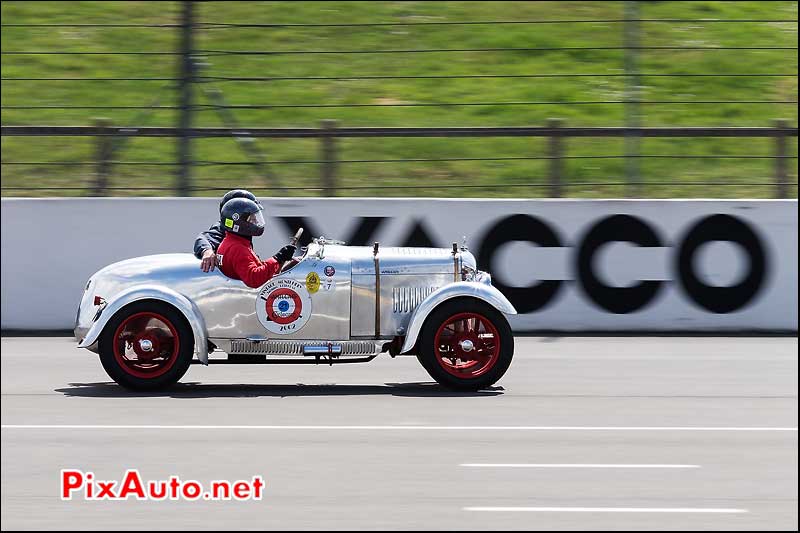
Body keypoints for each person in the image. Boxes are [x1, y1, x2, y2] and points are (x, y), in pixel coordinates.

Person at [215, 197, 296, 288]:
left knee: (296, 262)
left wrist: (281, 260)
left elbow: (259, 271)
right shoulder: (237, 248)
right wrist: (277, 258)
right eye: (253, 219)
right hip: (244, 297)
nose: (257, 222)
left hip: (239, 294)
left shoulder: (233, 242)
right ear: (239, 222)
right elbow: (254, 279)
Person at [193, 189, 258, 272]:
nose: (255, 219)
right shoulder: (222, 229)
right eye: (251, 216)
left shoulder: (242, 234)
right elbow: (203, 238)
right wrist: (207, 251)